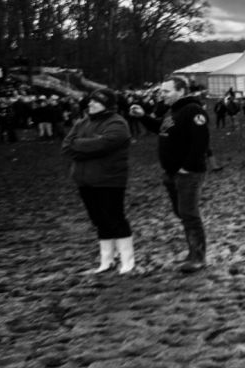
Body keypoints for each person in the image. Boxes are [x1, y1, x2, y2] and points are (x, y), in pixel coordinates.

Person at [131, 76, 210, 272]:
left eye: (166, 91)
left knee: (189, 214)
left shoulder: (193, 110)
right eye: (161, 91)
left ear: (181, 91)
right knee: (182, 213)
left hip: (188, 173)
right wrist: (142, 116)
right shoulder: (173, 111)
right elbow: (161, 128)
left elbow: (201, 141)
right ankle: (192, 252)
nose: (162, 95)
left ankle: (198, 257)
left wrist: (187, 166)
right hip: (172, 173)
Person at [62, 88, 134, 274]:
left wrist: (79, 145)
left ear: (107, 104)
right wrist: (88, 146)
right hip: (84, 180)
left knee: (115, 217)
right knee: (99, 220)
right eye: (91, 101)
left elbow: (105, 144)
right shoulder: (82, 122)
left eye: (96, 101)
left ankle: (127, 260)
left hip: (109, 179)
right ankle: (106, 260)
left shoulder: (117, 123)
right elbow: (66, 146)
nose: (90, 104)